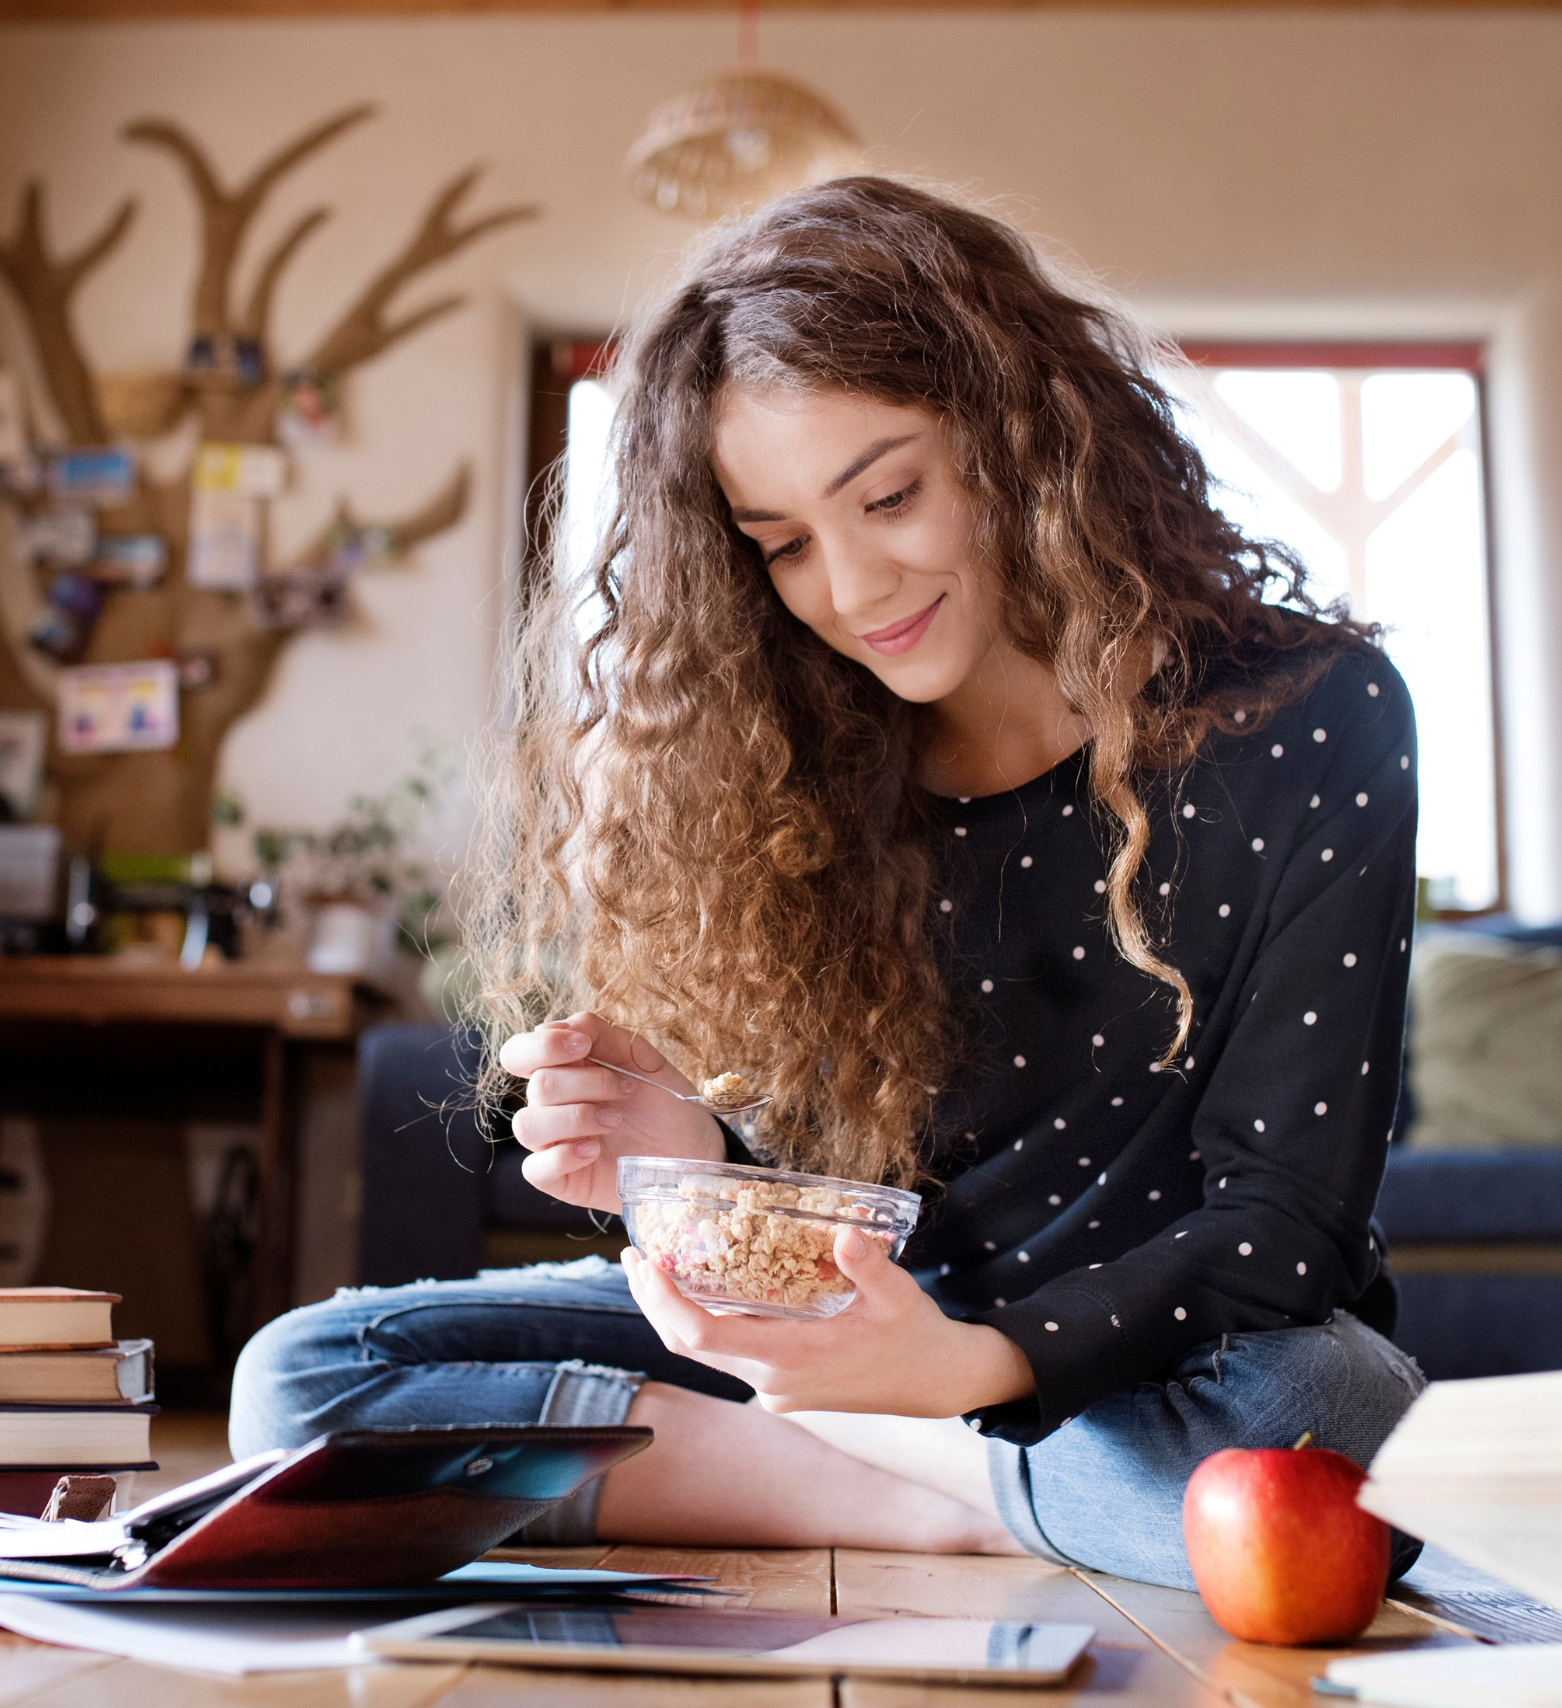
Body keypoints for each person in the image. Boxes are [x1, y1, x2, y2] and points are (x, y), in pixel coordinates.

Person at [231, 177, 1427, 1588]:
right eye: (781, 542)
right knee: (302, 1380)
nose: (852, 587)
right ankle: (954, 1496)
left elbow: (1286, 1229)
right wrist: (686, 1173)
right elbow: (847, 1217)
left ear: (1021, 437)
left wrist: (968, 1368)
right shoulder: (787, 760)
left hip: (1173, 1364)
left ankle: (882, 1463)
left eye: (889, 494)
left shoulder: (1308, 713)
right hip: (875, 1347)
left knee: (1326, 1421)